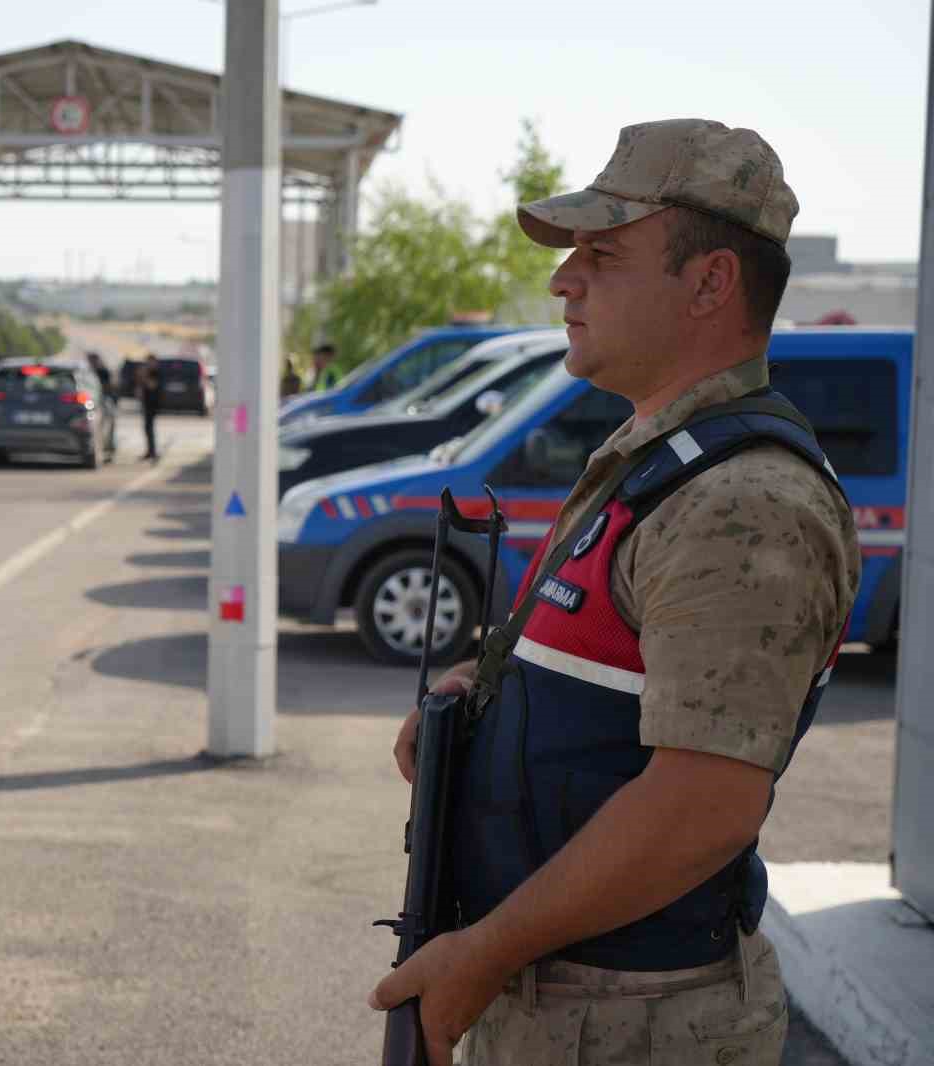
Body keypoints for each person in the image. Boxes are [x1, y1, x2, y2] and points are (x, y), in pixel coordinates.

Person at [367, 120, 859, 1066]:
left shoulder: (742, 498)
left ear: (710, 283)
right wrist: (481, 697)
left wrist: (482, 954)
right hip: (576, 1007)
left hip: (639, 1027)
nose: (563, 282)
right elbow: (607, 674)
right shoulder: (655, 464)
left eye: (602, 255)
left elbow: (704, 803)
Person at [136, 353, 161, 462]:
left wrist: (144, 376)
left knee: (150, 428)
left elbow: (152, 385)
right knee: (147, 428)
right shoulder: (149, 372)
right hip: (146, 402)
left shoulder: (156, 372)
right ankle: (150, 451)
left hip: (153, 403)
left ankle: (153, 452)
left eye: (149, 362)